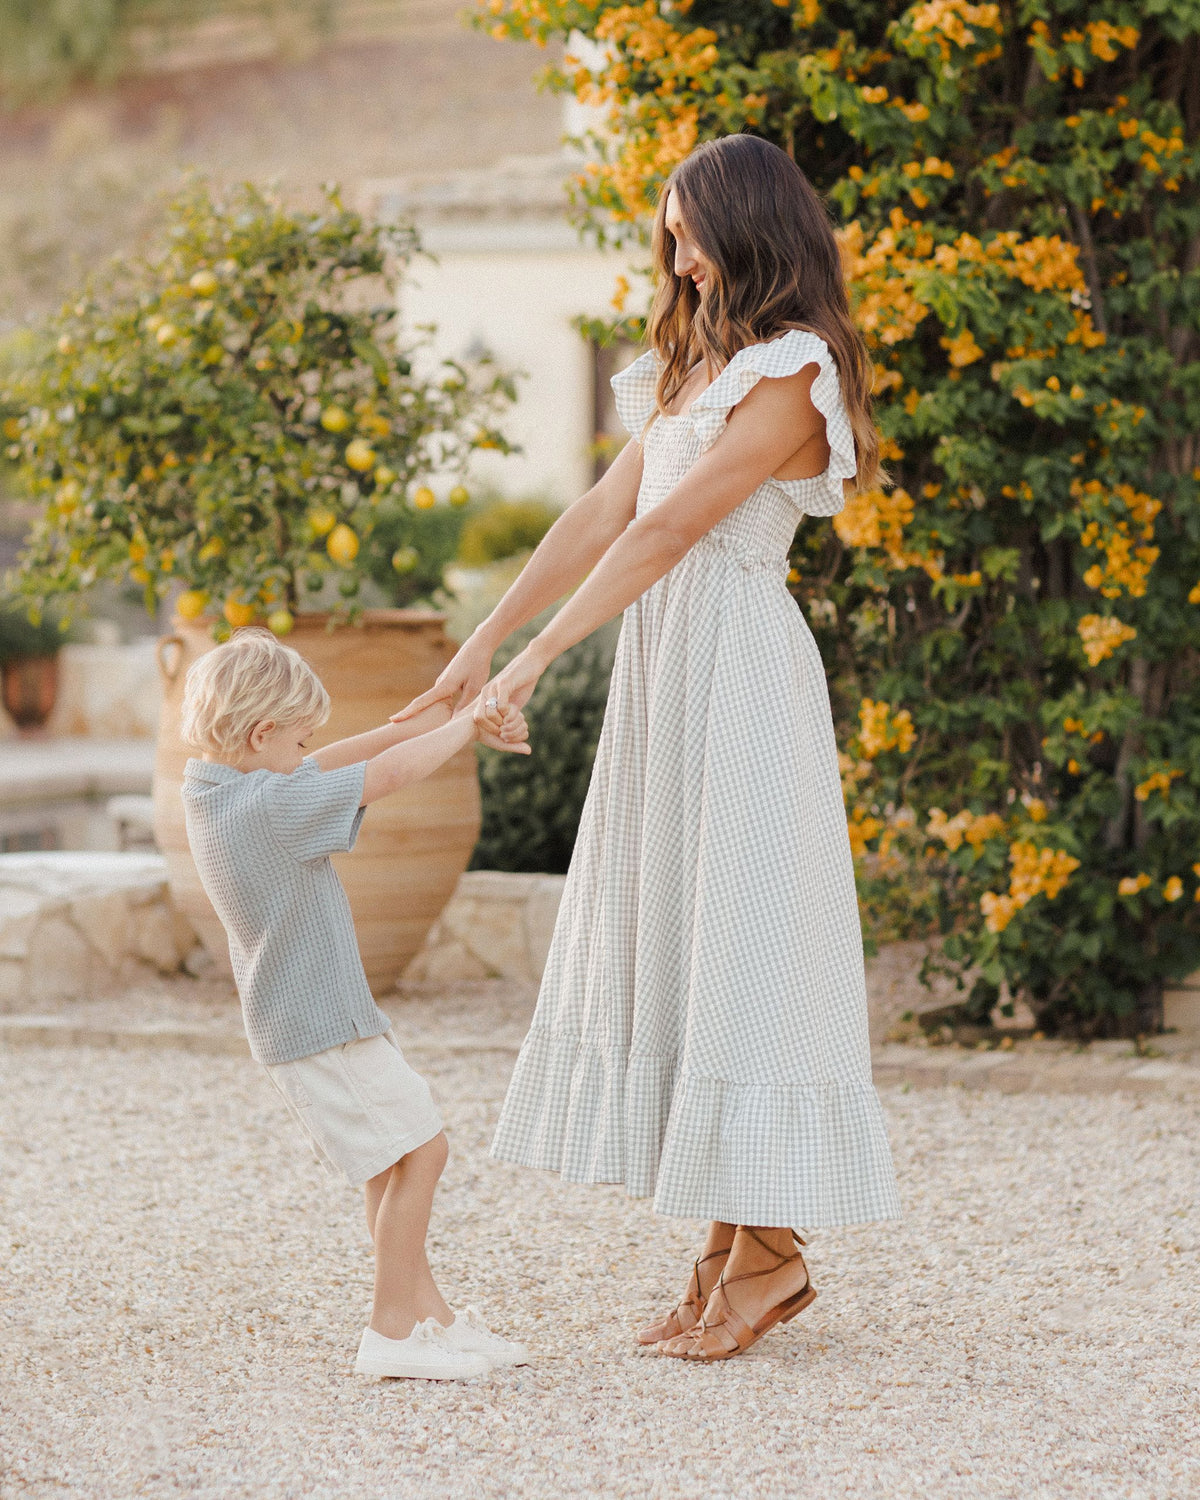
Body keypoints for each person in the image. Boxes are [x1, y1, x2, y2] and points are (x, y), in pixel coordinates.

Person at [396, 133, 902, 1363]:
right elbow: (603, 512)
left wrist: (531, 668)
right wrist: (483, 643)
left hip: (737, 671)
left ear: (748, 226)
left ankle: (767, 1253)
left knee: (742, 941)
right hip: (669, 673)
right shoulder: (696, 362)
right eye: (667, 231)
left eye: (687, 228)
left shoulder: (795, 367)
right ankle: (739, 1249)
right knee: (684, 940)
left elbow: (677, 528)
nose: (673, 253)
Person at [180, 627, 533, 1381]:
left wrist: (419, 716)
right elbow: (387, 776)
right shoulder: (268, 809)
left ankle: (429, 1319)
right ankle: (391, 1334)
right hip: (320, 1025)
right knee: (425, 1151)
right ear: (259, 732)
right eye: (298, 734)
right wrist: (464, 726)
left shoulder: (218, 791)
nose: (308, 747)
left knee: (389, 1168)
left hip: (308, 1023)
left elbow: (319, 766)